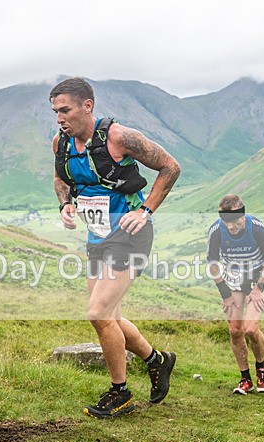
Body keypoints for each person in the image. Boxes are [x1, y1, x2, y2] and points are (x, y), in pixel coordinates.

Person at [50, 77, 180, 418]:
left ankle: (120, 392)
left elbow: (170, 167)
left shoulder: (118, 137)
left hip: (131, 234)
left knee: (98, 314)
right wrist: (65, 204)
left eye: (65, 110)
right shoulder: (60, 143)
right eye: (55, 112)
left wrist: (145, 209)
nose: (59, 118)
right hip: (98, 236)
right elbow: (61, 178)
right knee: (113, 318)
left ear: (87, 105)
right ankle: (157, 360)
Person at [206, 195, 264, 395]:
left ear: (243, 215)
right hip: (233, 278)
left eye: (234, 221)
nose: (230, 227)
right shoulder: (217, 230)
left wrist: (260, 287)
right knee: (235, 331)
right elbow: (212, 263)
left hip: (256, 277)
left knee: (251, 330)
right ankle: (245, 379)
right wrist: (225, 294)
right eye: (226, 221)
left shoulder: (257, 228)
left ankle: (262, 369)